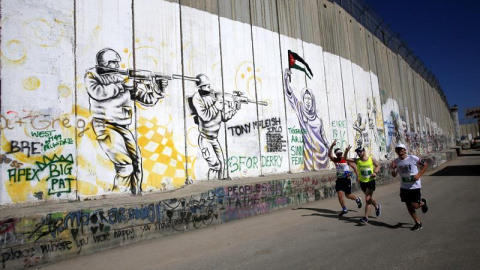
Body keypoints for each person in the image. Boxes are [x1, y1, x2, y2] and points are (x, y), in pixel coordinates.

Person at [84, 48, 167, 195]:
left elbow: (146, 99)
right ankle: (121, 195)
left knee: (136, 163)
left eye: (117, 62)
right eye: (112, 62)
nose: (116, 66)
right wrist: (122, 85)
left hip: (123, 126)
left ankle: (135, 194)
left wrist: (158, 90)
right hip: (105, 125)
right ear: (103, 63)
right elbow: (97, 92)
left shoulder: (122, 78)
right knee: (125, 165)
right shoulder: (93, 75)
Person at [190, 74, 238, 180]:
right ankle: (213, 185)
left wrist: (233, 109)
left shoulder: (213, 97)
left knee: (222, 164)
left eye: (209, 85)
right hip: (205, 139)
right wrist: (216, 106)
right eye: (206, 85)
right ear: (200, 87)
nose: (209, 87)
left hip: (214, 139)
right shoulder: (197, 98)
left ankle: (220, 184)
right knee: (215, 166)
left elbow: (224, 117)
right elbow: (205, 116)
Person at [284, 69, 329, 170]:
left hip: (323, 156)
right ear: (303, 100)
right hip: (310, 158)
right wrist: (286, 78)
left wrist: (330, 147)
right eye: (305, 98)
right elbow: (290, 95)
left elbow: (323, 136)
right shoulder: (301, 111)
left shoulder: (318, 117)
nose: (308, 101)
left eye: (309, 99)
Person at [391, 143, 429, 231]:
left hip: (415, 186)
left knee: (415, 205)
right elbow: (394, 175)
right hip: (404, 187)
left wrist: (419, 175)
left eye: (401, 149)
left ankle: (423, 203)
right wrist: (393, 169)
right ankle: (418, 223)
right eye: (397, 149)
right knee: (408, 205)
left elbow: (425, 164)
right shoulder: (396, 161)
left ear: (405, 150)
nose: (399, 151)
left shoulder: (413, 158)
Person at [328, 140, 362, 216]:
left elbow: (354, 166)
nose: (340, 155)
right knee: (340, 194)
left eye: (341, 153)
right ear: (336, 155)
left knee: (348, 195)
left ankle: (357, 199)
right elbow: (329, 155)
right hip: (339, 180)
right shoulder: (335, 160)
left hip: (347, 180)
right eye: (338, 154)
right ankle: (344, 209)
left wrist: (358, 175)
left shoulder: (345, 159)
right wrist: (332, 146)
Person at [353, 146, 381, 224]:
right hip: (363, 182)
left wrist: (375, 172)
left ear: (364, 151)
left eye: (360, 151)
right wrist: (346, 151)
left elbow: (378, 166)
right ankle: (377, 206)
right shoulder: (358, 161)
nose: (358, 153)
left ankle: (365, 217)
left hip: (370, 181)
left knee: (367, 199)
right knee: (368, 198)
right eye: (357, 152)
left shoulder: (371, 159)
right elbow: (345, 159)